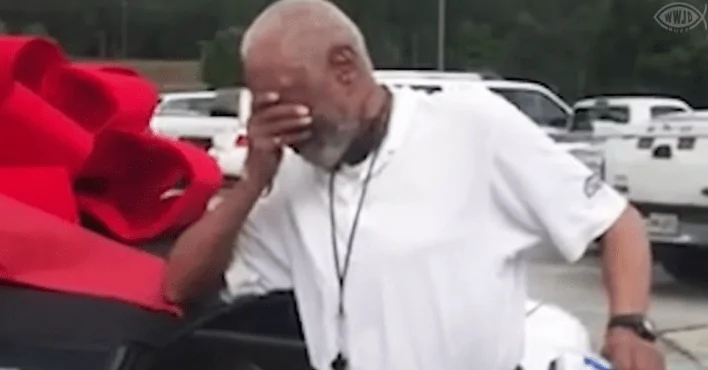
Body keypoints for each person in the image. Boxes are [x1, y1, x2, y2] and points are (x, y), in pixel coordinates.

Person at [163, 1, 664, 369]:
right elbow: (181, 284)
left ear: (344, 67)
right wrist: (253, 181)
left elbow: (617, 222)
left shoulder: (471, 127)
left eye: (291, 101)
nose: (285, 123)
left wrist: (628, 324)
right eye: (267, 107)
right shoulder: (292, 176)